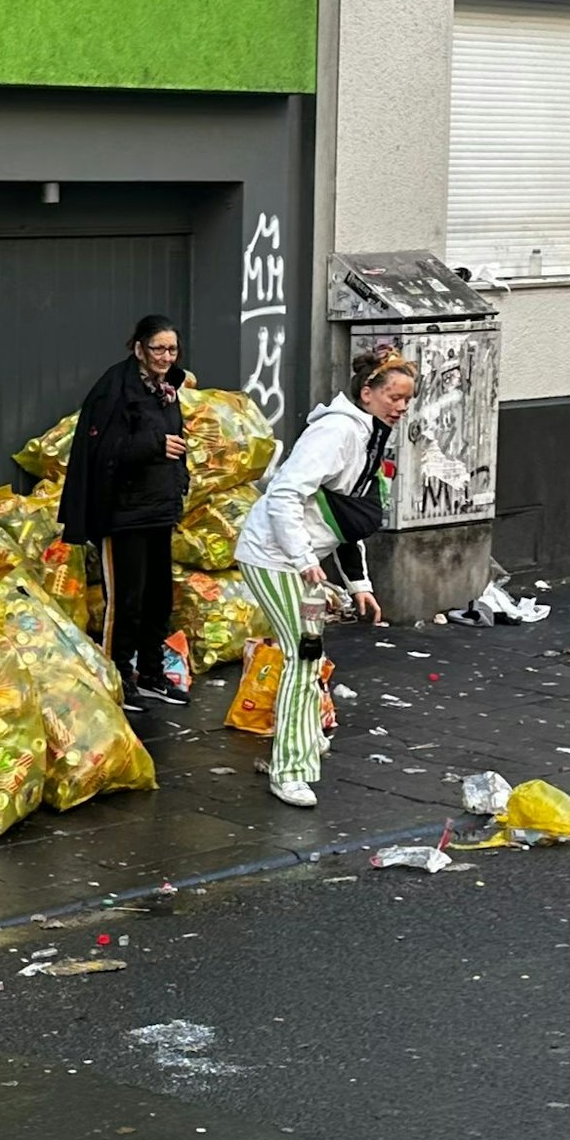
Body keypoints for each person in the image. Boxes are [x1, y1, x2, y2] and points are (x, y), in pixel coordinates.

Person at [234, 346, 418, 809]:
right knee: (302, 654)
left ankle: (298, 742)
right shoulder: (337, 432)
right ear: (367, 392)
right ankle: (290, 768)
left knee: (309, 655)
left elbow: (344, 516)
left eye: (407, 399)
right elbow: (284, 495)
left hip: (303, 561)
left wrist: (360, 586)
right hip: (274, 557)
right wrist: (301, 559)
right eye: (394, 396)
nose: (401, 406)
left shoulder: (370, 435)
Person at [58, 314, 190, 709]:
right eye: (158, 348)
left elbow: (172, 440)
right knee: (126, 601)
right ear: (138, 348)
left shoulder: (165, 389)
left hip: (159, 509)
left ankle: (151, 673)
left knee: (158, 598)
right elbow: (102, 452)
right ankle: (118, 676)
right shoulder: (115, 388)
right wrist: (153, 445)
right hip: (123, 512)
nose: (166, 356)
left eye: (172, 349)